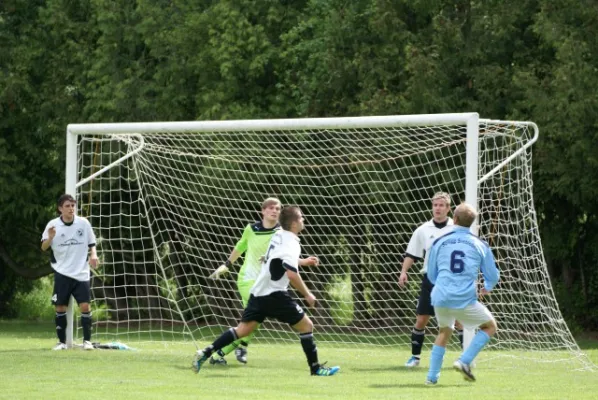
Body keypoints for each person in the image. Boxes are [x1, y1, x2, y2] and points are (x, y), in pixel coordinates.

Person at [193, 206, 340, 376]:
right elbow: (291, 274)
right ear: (293, 224)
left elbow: (275, 258)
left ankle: (204, 353)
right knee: (307, 325)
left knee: (242, 330)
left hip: (258, 292)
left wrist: (303, 262)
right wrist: (307, 294)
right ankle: (316, 369)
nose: (303, 220)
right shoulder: (291, 242)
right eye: (301, 218)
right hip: (275, 294)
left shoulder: (278, 235)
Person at [207, 198, 318, 365]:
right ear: (263, 211)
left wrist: (302, 262)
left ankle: (227, 350)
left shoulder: (281, 232)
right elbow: (240, 246)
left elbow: (282, 258)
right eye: (271, 208)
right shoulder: (251, 229)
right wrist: (227, 264)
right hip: (248, 280)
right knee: (252, 322)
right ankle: (230, 350)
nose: (275, 211)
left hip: (264, 282)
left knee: (252, 323)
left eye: (278, 208)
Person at [424, 202, 500, 385]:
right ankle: (464, 361)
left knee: (444, 331)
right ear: (471, 223)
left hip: (440, 296)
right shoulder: (479, 244)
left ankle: (431, 378)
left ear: (454, 219)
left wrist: (444, 286)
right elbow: (493, 275)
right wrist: (487, 287)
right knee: (490, 327)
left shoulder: (439, 241)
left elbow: (431, 274)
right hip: (464, 299)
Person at [399, 192, 461, 367]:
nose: (438, 208)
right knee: (421, 319)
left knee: (458, 320)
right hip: (430, 279)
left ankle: (465, 359)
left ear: (448, 209)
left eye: (442, 205)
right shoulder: (423, 230)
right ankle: (415, 357)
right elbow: (412, 254)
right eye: (435, 205)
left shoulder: (456, 228)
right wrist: (404, 271)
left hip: (451, 280)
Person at [41, 194, 99, 350]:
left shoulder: (83, 223)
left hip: (81, 272)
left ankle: (87, 341)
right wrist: (50, 237)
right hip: (62, 272)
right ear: (60, 208)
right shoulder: (52, 225)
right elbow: (43, 247)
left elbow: (91, 242)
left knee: (85, 306)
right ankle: (61, 343)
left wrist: (93, 254)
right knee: (60, 307)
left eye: (73, 206)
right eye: (67, 206)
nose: (71, 209)